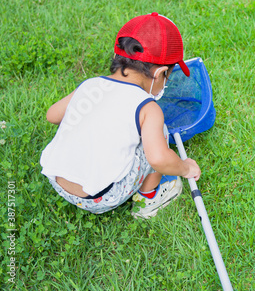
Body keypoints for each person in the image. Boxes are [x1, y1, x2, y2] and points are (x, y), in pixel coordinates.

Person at [40, 12, 201, 219]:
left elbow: (52, 115)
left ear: (118, 56)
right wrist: (185, 167)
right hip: (100, 197)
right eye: (167, 77)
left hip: (58, 181)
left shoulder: (90, 85)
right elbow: (159, 158)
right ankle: (149, 199)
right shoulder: (147, 107)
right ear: (160, 73)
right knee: (157, 131)